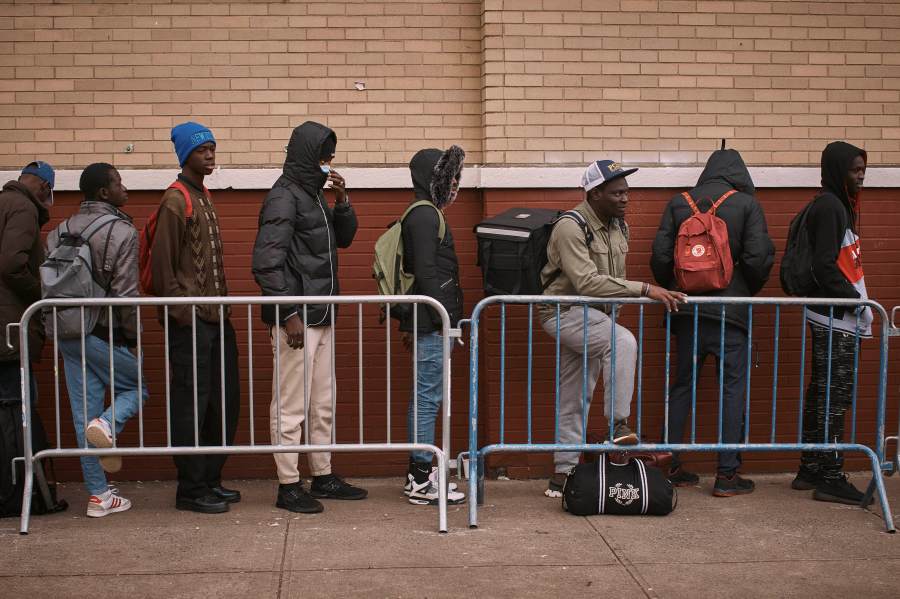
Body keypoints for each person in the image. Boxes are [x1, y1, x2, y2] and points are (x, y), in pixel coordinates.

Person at [540, 160, 685, 498]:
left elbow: (611, 279)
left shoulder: (620, 226)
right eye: (617, 193)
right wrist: (646, 289)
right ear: (594, 193)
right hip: (564, 313)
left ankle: (563, 473)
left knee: (574, 394)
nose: (625, 199)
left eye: (626, 192)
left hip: (595, 316)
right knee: (622, 342)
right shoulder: (570, 226)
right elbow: (587, 282)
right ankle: (617, 423)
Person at [252, 121, 367, 514]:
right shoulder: (284, 197)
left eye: (330, 157)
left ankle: (322, 474)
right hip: (297, 320)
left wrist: (344, 200)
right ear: (305, 155)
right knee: (290, 406)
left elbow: (345, 239)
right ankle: (288, 485)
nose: (327, 163)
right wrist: (288, 313)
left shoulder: (314, 195)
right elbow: (267, 263)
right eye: (322, 156)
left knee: (322, 402)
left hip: (321, 314)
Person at [650, 148, 774, 497]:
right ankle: (727, 476)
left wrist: (678, 287)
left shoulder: (679, 203)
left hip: (686, 310)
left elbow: (660, 258)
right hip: (729, 314)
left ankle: (668, 465)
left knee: (682, 387)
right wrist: (741, 289)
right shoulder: (747, 205)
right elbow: (757, 258)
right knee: (732, 389)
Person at [47, 163, 148, 517]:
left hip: (66, 331)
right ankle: (107, 424)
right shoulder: (121, 230)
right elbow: (126, 293)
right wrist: (133, 337)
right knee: (136, 388)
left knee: (82, 414)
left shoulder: (59, 229)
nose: (125, 189)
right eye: (119, 182)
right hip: (102, 332)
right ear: (104, 192)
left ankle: (99, 496)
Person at [149, 122, 240, 514]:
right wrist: (181, 314)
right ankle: (190, 489)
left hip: (216, 320)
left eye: (213, 149)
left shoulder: (202, 195)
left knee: (221, 402)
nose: (210, 155)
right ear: (185, 155)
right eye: (203, 150)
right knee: (191, 404)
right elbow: (163, 265)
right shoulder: (176, 199)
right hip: (191, 323)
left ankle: (209, 479)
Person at [792, 141, 873, 505]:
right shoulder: (830, 206)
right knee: (834, 396)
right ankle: (830, 476)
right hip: (835, 316)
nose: (861, 176)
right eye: (855, 170)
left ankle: (810, 468)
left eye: (863, 170)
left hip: (830, 313)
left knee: (822, 391)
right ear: (838, 170)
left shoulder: (832, 204)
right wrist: (858, 303)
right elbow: (825, 265)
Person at [399, 146, 467, 506]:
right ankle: (420, 479)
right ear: (432, 178)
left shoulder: (427, 213)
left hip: (432, 320)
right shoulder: (425, 215)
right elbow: (427, 271)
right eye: (449, 176)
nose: (455, 183)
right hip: (432, 322)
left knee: (424, 397)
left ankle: (419, 475)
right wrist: (446, 318)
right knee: (428, 399)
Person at [0, 162, 54, 495]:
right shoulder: (23, 207)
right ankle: (20, 491)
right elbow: (11, 264)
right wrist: (41, 294)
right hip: (8, 330)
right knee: (17, 407)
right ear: (42, 186)